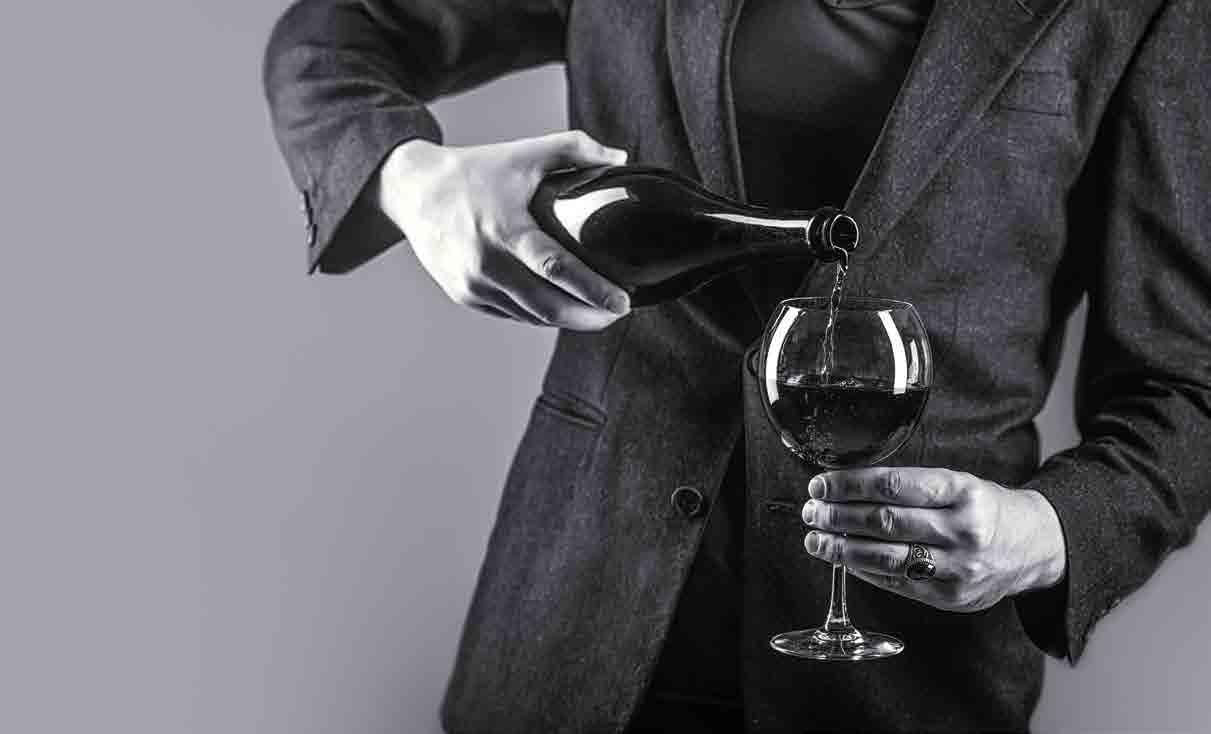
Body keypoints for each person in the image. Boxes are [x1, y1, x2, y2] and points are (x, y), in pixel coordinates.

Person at [262, 0, 1211, 731]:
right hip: (572, 629)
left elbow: (1184, 388)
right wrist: (414, 181)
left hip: (908, 678)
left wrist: (1044, 533)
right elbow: (335, 31)